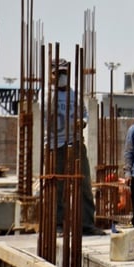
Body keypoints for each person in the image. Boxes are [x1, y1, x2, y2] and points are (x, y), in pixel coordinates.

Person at [49, 58, 104, 236]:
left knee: (84, 183)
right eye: (59, 73)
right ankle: (57, 224)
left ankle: (87, 224)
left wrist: (83, 122)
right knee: (57, 185)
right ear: (51, 75)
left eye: (64, 73)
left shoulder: (75, 94)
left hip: (76, 143)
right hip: (54, 145)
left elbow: (85, 113)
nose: (62, 77)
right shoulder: (46, 94)